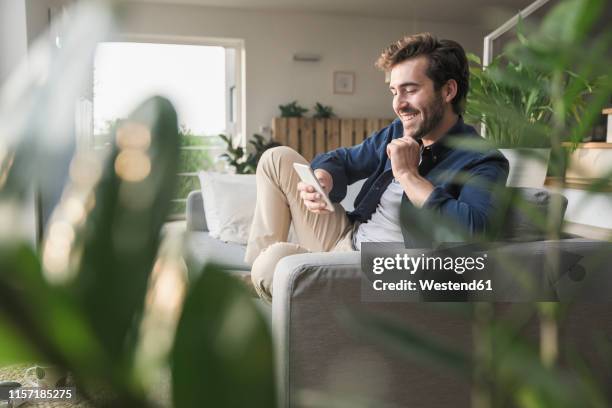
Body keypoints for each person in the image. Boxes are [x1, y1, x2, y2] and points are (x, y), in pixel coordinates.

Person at [244, 32, 509, 303]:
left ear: (448, 91)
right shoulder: (398, 131)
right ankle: (254, 280)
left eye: (410, 89)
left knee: (272, 266)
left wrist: (408, 176)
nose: (398, 104)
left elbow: (474, 233)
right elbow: (344, 160)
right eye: (394, 92)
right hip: (348, 235)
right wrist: (324, 179)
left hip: (378, 269)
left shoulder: (483, 160)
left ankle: (259, 278)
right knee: (277, 158)